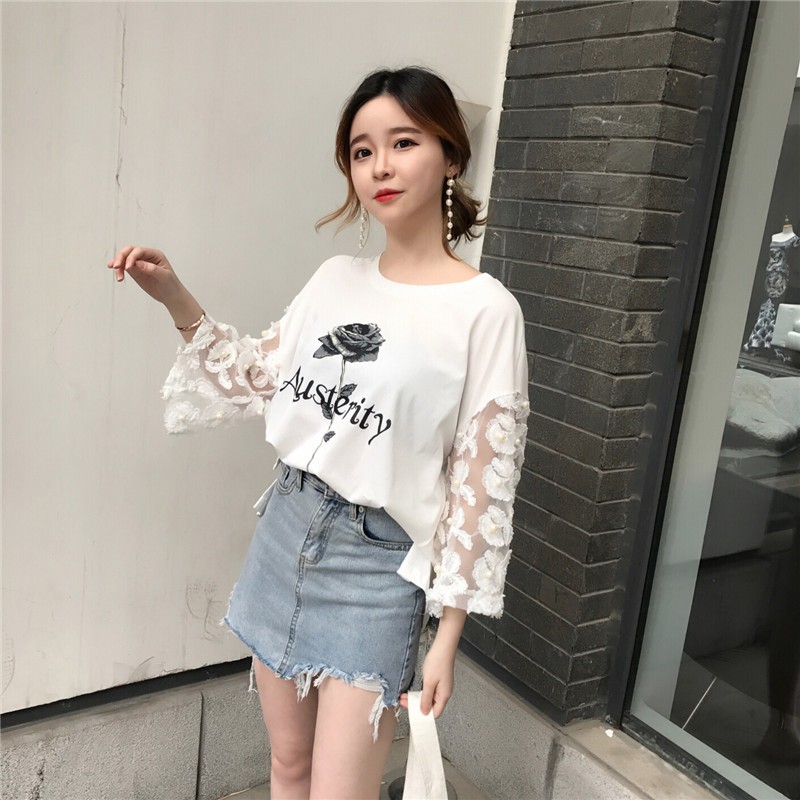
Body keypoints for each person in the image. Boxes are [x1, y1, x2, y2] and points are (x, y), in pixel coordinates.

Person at [108, 66, 529, 800]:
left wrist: (447, 636)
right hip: (286, 532)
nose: (380, 166)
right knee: (288, 768)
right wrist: (174, 295)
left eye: (403, 142)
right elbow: (255, 378)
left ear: (451, 156)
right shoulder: (335, 279)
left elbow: (480, 485)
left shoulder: (485, 311)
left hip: (377, 573)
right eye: (362, 152)